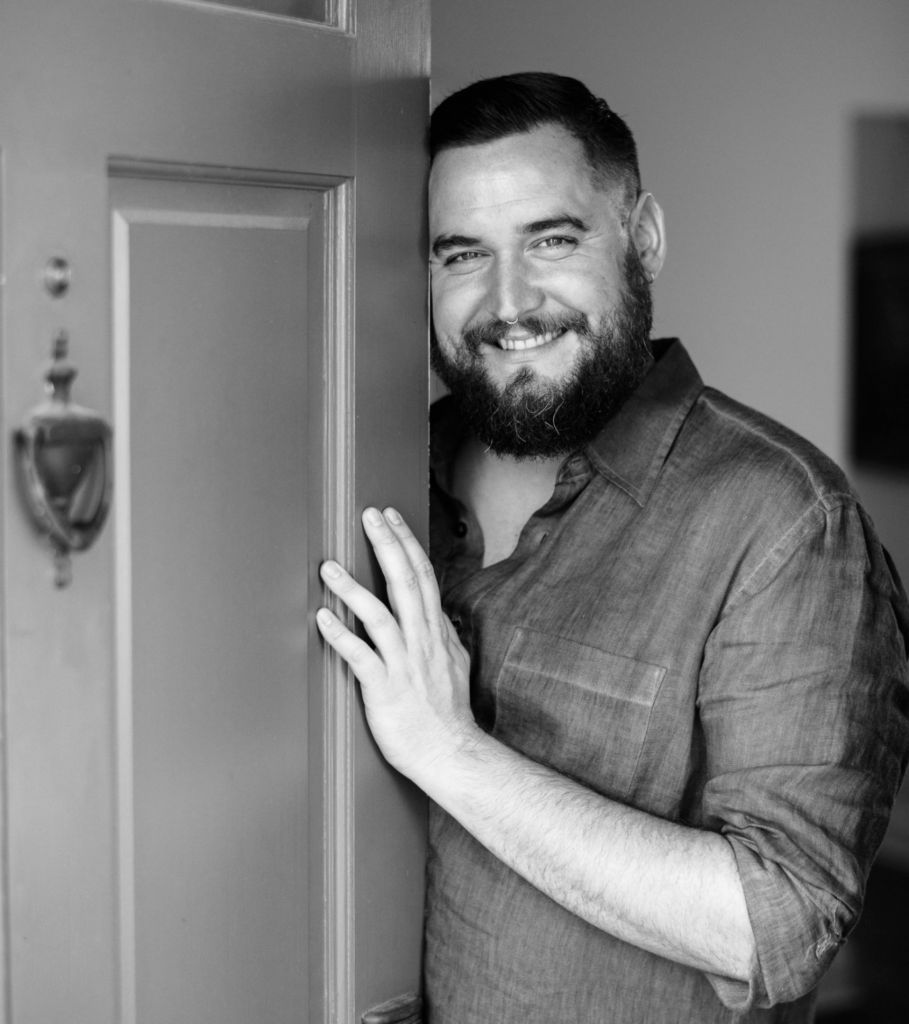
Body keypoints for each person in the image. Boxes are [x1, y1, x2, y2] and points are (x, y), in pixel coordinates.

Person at [315, 72, 909, 1023]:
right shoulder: (358, 470)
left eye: (551, 241)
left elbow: (778, 926)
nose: (507, 303)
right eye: (461, 254)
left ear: (643, 239)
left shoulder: (783, 518)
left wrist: (449, 751)